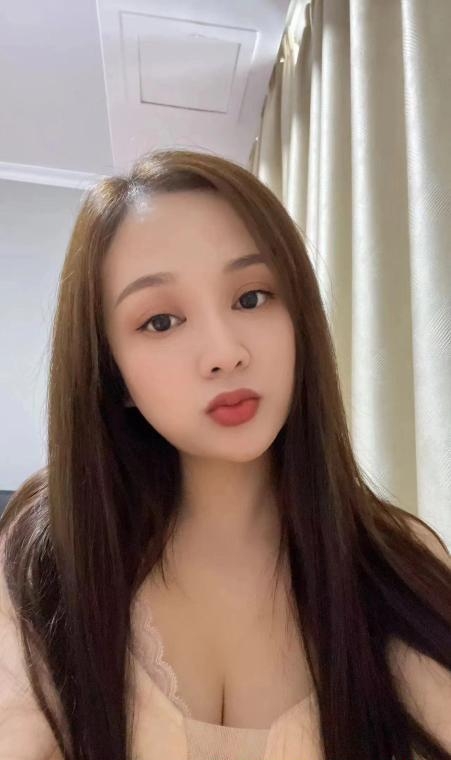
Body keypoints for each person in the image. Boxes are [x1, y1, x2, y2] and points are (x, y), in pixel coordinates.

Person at [0, 148, 450, 760]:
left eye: (252, 298)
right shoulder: (52, 549)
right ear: (112, 373)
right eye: (161, 321)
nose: (224, 352)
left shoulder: (393, 560)